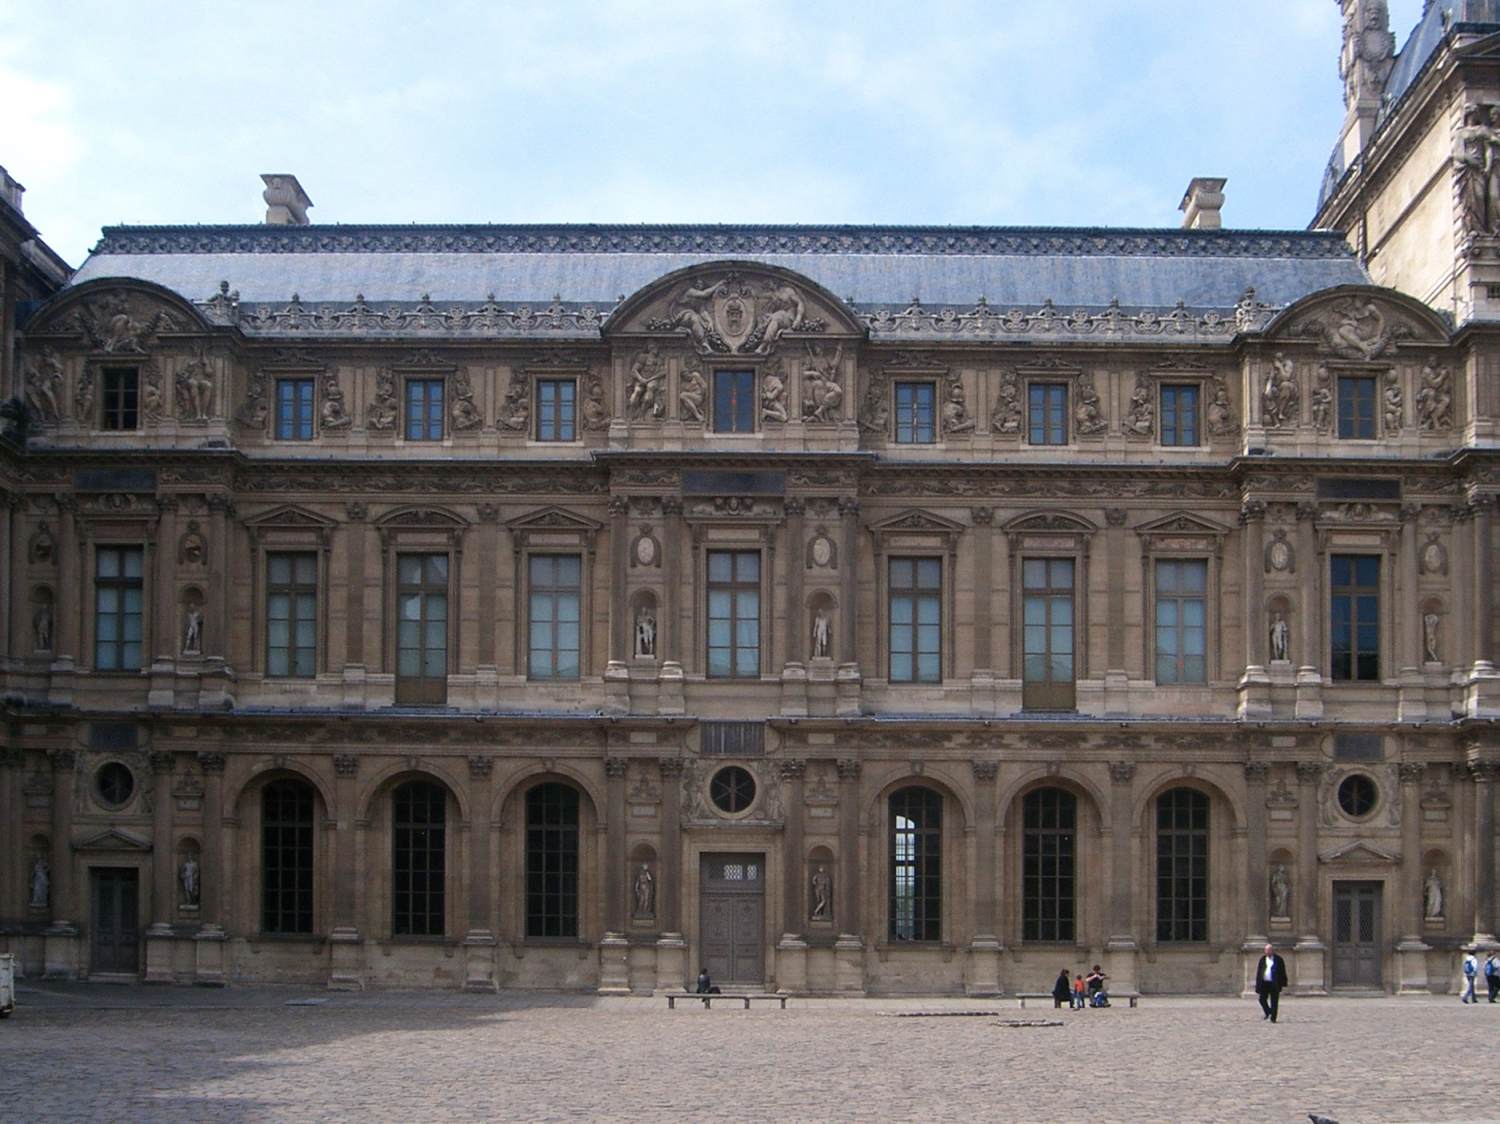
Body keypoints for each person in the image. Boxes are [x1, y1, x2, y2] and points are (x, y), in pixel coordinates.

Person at [1255, 943, 1288, 1022]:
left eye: (1269, 950)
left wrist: (1283, 983)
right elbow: (1259, 972)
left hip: (1274, 983)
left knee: (1274, 1001)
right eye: (1266, 950)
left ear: (1272, 951)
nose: (1267, 952)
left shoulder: (1279, 959)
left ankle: (1273, 1018)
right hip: (1264, 983)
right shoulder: (1262, 959)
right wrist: (1258, 984)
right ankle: (1269, 1012)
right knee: (1262, 999)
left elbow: (1282, 972)